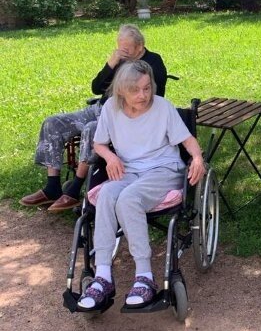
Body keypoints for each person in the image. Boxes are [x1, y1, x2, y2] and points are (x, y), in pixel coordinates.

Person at [76, 60, 204, 311]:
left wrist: (198, 158)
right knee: (106, 194)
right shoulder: (111, 108)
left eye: (147, 88)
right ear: (121, 90)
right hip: (129, 170)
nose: (143, 95)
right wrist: (110, 157)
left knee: (128, 199)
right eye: (135, 90)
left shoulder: (162, 107)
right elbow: (99, 144)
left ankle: (145, 276)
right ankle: (102, 276)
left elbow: (187, 140)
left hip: (163, 170)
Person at [20, 24, 168, 212]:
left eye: (126, 49)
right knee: (53, 123)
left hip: (124, 116)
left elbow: (151, 99)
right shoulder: (120, 60)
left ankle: (74, 189)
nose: (121, 52)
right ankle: (52, 187)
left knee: (92, 128)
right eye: (119, 47)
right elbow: (96, 88)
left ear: (139, 46)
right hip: (100, 108)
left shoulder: (153, 62)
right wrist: (111, 64)